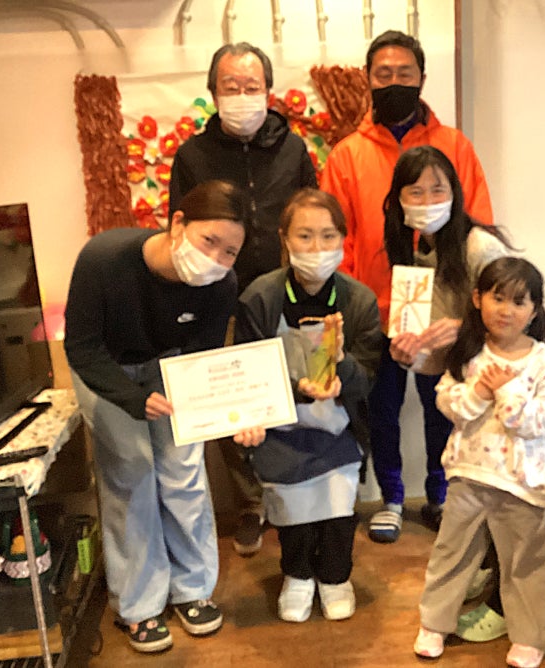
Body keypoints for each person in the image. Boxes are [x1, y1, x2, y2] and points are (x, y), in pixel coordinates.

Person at [64, 180, 265, 653]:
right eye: (208, 240)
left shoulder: (222, 283)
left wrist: (233, 415)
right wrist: (132, 397)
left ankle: (192, 589)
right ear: (178, 223)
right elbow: (82, 347)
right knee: (131, 473)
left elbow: (204, 359)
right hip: (107, 366)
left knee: (184, 470)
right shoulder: (104, 259)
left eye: (230, 252)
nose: (215, 258)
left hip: (172, 366)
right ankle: (138, 604)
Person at [320, 29, 496, 536]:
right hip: (374, 311)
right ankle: (391, 497)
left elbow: (478, 223)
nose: (394, 82)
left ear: (422, 78)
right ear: (368, 79)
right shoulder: (347, 155)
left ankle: (440, 493)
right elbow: (337, 235)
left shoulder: (454, 146)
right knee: (381, 410)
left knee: (444, 405)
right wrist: (352, 304)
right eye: (384, 74)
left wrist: (466, 312)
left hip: (443, 312)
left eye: (405, 73)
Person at [169, 42, 318, 556]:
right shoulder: (192, 155)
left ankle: (295, 490)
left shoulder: (293, 150)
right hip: (220, 295)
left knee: (293, 391)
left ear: (268, 91)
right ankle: (250, 503)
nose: (241, 96)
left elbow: (311, 213)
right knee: (232, 401)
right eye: (230, 87)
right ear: (213, 93)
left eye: (251, 87)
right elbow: (180, 225)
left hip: (285, 292)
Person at [235, 189, 382, 622]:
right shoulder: (261, 297)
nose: (317, 248)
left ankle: (336, 577)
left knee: (338, 508)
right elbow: (245, 370)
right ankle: (297, 575)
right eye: (304, 236)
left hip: (340, 428)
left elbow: (369, 376)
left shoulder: (359, 300)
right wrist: (293, 391)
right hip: (281, 429)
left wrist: (342, 368)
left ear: (343, 240)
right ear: (284, 239)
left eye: (328, 236)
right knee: (291, 510)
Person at [413, 257, 545, 668]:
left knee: (525, 561)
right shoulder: (468, 352)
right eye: (498, 298)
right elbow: (448, 403)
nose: (506, 310)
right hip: (469, 473)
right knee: (451, 552)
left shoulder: (543, 361)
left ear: (534, 310)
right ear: (478, 298)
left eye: (519, 301)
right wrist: (479, 392)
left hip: (521, 480)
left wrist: (508, 396)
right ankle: (434, 623)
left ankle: (531, 636)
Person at [366, 146, 513, 544]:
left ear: (455, 193)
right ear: (398, 198)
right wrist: (407, 346)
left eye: (438, 190)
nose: (427, 201)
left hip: (485, 374)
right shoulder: (413, 246)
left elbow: (518, 312)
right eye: (415, 191)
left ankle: (445, 501)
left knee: (450, 431)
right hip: (444, 365)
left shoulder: (479, 246)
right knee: (394, 410)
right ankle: (400, 500)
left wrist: (464, 327)